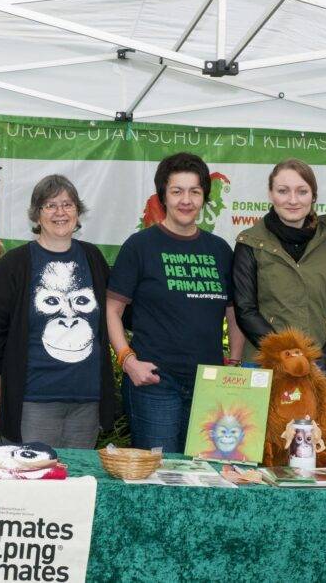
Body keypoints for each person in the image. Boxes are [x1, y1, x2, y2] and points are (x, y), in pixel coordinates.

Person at [106, 152, 245, 452]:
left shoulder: (220, 250)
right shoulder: (140, 246)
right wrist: (128, 361)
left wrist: (233, 363)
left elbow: (234, 313)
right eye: (177, 191)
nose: (186, 200)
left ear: (204, 198)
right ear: (163, 197)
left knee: (203, 475)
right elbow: (112, 310)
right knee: (158, 476)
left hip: (209, 384)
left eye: (194, 191)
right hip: (154, 382)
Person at [0, 175, 115, 447]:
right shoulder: (15, 264)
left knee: (77, 483)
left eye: (67, 204)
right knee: (31, 483)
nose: (60, 212)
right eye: (50, 206)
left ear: (78, 213)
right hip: (32, 401)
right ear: (37, 215)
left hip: (86, 401)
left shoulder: (93, 258)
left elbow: (114, 317)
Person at [232, 158, 326, 410]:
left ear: (313, 196)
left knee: (317, 447)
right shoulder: (249, 242)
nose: (293, 200)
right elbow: (245, 310)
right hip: (264, 367)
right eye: (283, 191)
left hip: (319, 367)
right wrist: (287, 357)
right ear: (270, 194)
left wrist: (325, 361)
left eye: (302, 191)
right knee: (265, 447)